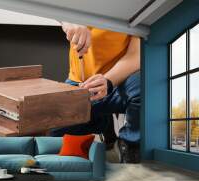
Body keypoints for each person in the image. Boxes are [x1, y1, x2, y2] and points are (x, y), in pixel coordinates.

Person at [50, 22, 141, 163]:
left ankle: (129, 143)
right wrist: (69, 22)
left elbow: (136, 55)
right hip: (80, 81)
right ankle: (102, 122)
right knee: (54, 134)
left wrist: (108, 81)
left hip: (121, 79)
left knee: (143, 90)